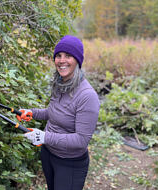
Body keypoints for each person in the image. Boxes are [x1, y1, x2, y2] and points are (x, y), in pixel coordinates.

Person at [19, 35, 100, 190]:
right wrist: (31, 112)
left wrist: (44, 136)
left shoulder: (87, 96)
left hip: (69, 163)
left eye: (68, 56)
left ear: (77, 60)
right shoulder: (60, 84)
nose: (62, 60)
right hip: (48, 154)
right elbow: (53, 113)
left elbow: (81, 140)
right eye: (58, 56)